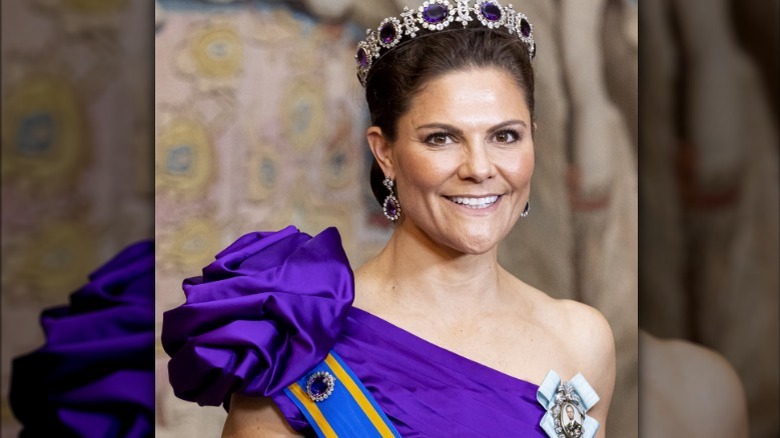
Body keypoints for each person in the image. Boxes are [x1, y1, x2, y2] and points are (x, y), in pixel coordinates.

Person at [162, 1, 615, 436]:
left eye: (505, 136)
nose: (479, 167)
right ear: (385, 153)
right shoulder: (298, 336)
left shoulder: (581, 340)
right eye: (441, 138)